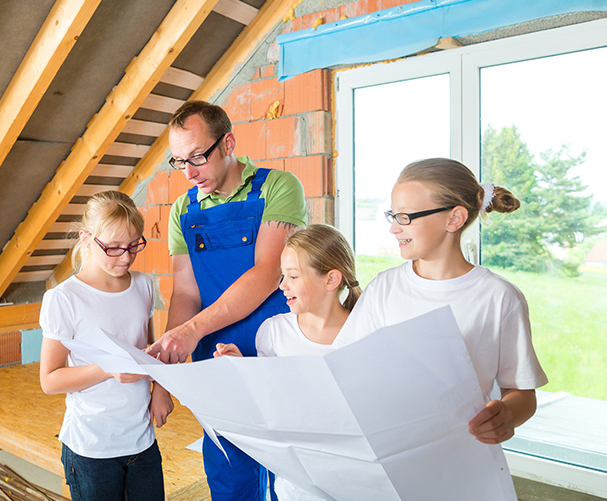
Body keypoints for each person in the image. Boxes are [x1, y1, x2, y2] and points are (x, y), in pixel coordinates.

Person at [146, 100, 308, 500]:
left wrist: (191, 330)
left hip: (271, 352)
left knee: (286, 475)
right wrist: (164, 378)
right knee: (228, 472)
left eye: (198, 156)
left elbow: (267, 273)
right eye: (179, 161)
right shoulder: (184, 209)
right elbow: (185, 292)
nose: (188, 172)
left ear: (229, 143)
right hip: (213, 361)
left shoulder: (278, 187)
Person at [339, 158, 548, 445]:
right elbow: (346, 365)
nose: (394, 228)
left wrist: (506, 416)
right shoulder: (383, 288)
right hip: (390, 448)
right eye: (393, 215)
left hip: (460, 457)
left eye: (406, 217)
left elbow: (523, 393)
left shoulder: (499, 297)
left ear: (454, 219)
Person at [38, 190, 172, 501]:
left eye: (133, 246)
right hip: (91, 447)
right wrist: (108, 370)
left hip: (141, 440)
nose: (125, 257)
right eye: (113, 248)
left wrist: (161, 389)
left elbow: (149, 348)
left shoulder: (143, 285)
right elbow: (50, 379)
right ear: (86, 238)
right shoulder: (64, 298)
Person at [214, 223, 362, 500]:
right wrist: (242, 368)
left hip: (355, 484)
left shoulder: (365, 332)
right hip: (296, 488)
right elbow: (267, 400)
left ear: (331, 280)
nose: (282, 285)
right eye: (283, 275)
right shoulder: (274, 332)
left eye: (293, 276)